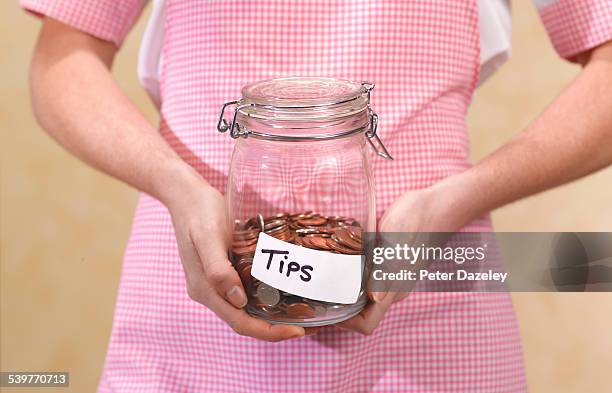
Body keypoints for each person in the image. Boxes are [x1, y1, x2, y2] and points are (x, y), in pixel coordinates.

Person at [22, 0, 612, 391]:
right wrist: (176, 187)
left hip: (427, 301)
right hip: (191, 298)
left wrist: (456, 199)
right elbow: (63, 59)